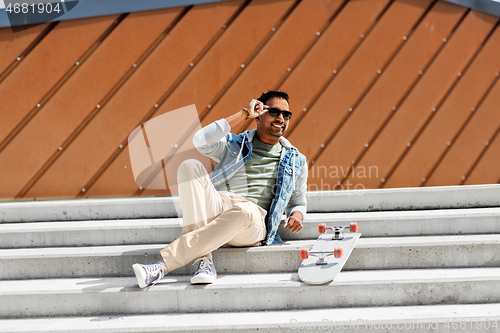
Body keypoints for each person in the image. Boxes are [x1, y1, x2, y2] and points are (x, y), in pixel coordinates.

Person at [133, 90, 308, 288]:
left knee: (244, 211)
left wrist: (297, 216)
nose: (281, 118)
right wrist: (244, 114)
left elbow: (298, 202)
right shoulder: (234, 145)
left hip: (253, 220)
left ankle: (162, 266)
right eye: (274, 112)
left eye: (286, 115)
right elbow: (200, 140)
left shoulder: (296, 160)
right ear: (259, 116)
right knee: (189, 166)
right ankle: (204, 261)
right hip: (220, 205)